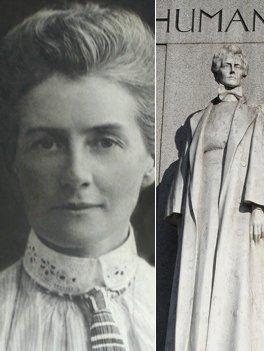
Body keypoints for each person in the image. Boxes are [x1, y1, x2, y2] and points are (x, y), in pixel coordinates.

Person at [0, 4, 155, 350]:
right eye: (47, 144)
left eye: (104, 142)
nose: (76, 175)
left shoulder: (185, 313)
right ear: (13, 159)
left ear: (152, 160)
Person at [164, 45, 264, 350]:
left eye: (238, 65)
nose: (233, 69)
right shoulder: (198, 119)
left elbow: (262, 160)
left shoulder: (256, 115)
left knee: (236, 271)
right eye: (227, 65)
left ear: (244, 71)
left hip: (239, 202)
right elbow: (188, 163)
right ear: (217, 71)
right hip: (204, 200)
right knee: (199, 270)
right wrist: (179, 210)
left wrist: (260, 209)